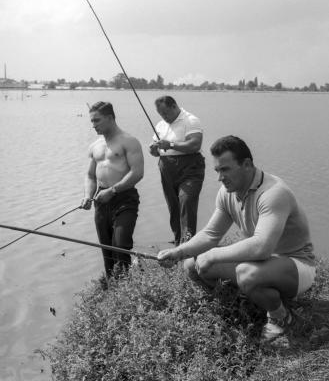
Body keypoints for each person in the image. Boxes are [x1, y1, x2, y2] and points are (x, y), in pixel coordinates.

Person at [158, 135, 316, 343]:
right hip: (263, 263)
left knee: (246, 273)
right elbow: (210, 234)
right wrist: (178, 252)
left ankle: (282, 317)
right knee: (192, 264)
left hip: (297, 265)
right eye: (217, 170)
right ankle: (240, 304)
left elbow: (261, 247)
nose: (220, 178)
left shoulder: (273, 193)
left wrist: (213, 255)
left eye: (225, 169)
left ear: (247, 164)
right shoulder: (227, 192)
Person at [81, 101, 144, 278]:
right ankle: (112, 288)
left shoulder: (129, 141)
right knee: (107, 249)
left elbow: (137, 173)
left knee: (120, 244)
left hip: (124, 198)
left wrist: (113, 191)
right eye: (92, 121)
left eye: (97, 120)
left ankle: (126, 287)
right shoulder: (95, 146)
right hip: (101, 200)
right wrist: (87, 195)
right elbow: (90, 176)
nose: (93, 125)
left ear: (110, 118)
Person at [149, 96, 205, 245]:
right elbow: (156, 150)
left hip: (190, 167)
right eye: (161, 114)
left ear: (174, 106)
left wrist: (171, 145)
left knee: (186, 201)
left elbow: (195, 144)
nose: (164, 117)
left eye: (166, 113)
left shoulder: (190, 120)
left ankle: (188, 243)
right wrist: (154, 149)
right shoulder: (160, 125)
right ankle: (178, 240)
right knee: (173, 206)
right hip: (167, 168)